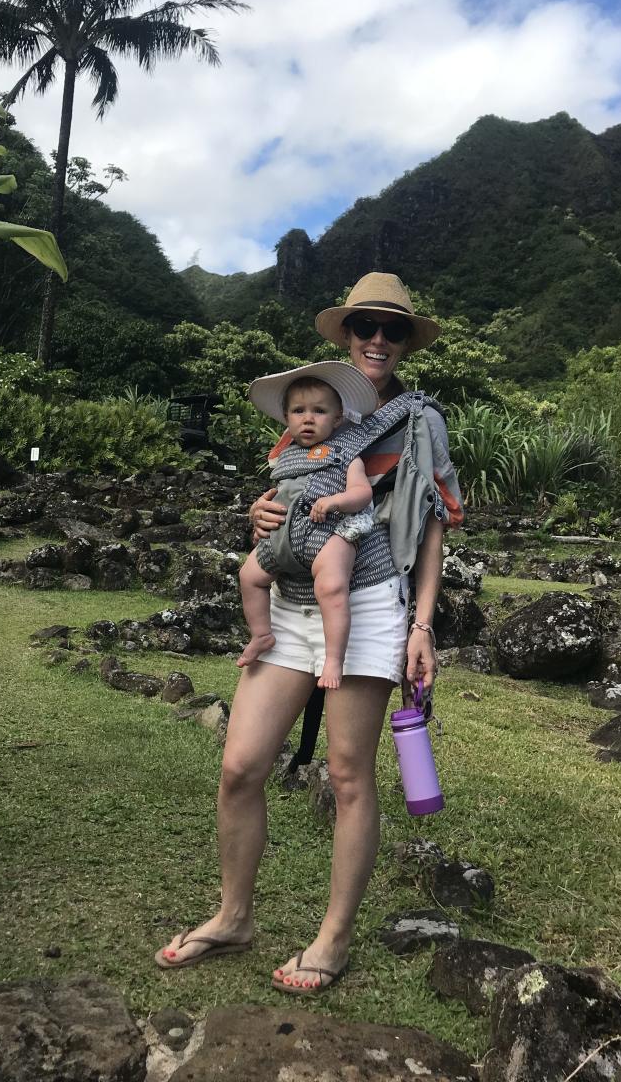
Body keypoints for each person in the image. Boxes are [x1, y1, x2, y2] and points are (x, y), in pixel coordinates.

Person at [156, 273, 463, 993]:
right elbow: (284, 497)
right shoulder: (314, 408)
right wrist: (259, 517)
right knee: (241, 765)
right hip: (293, 603)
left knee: (351, 773)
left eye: (392, 329)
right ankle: (234, 916)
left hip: (372, 606)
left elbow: (433, 530)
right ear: (347, 333)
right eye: (365, 326)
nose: (377, 340)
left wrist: (422, 624)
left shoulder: (421, 423)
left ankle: (334, 937)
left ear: (407, 342)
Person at [237, 362, 380, 690]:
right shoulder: (281, 458)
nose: (308, 418)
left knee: (331, 587)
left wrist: (336, 501)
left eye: (319, 411)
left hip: (327, 533)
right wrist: (259, 510)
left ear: (337, 418)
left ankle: (333, 657)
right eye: (299, 411)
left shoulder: (346, 455)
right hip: (283, 535)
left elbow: (362, 493)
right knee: (249, 577)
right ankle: (261, 634)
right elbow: (272, 496)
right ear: (287, 419)